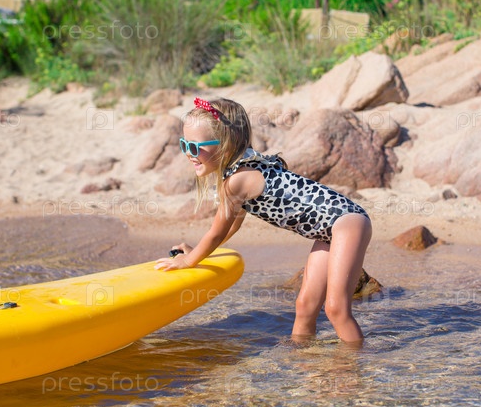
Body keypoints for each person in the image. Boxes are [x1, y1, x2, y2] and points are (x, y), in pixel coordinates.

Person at [155, 97, 373, 344]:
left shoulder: (237, 181)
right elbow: (231, 227)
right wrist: (198, 252)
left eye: (195, 148)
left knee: (336, 309)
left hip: (346, 223)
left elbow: (217, 232)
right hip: (329, 232)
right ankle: (301, 361)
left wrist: (188, 261)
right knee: (304, 306)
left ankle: (356, 365)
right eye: (184, 145)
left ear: (225, 145)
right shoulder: (241, 170)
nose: (188, 154)